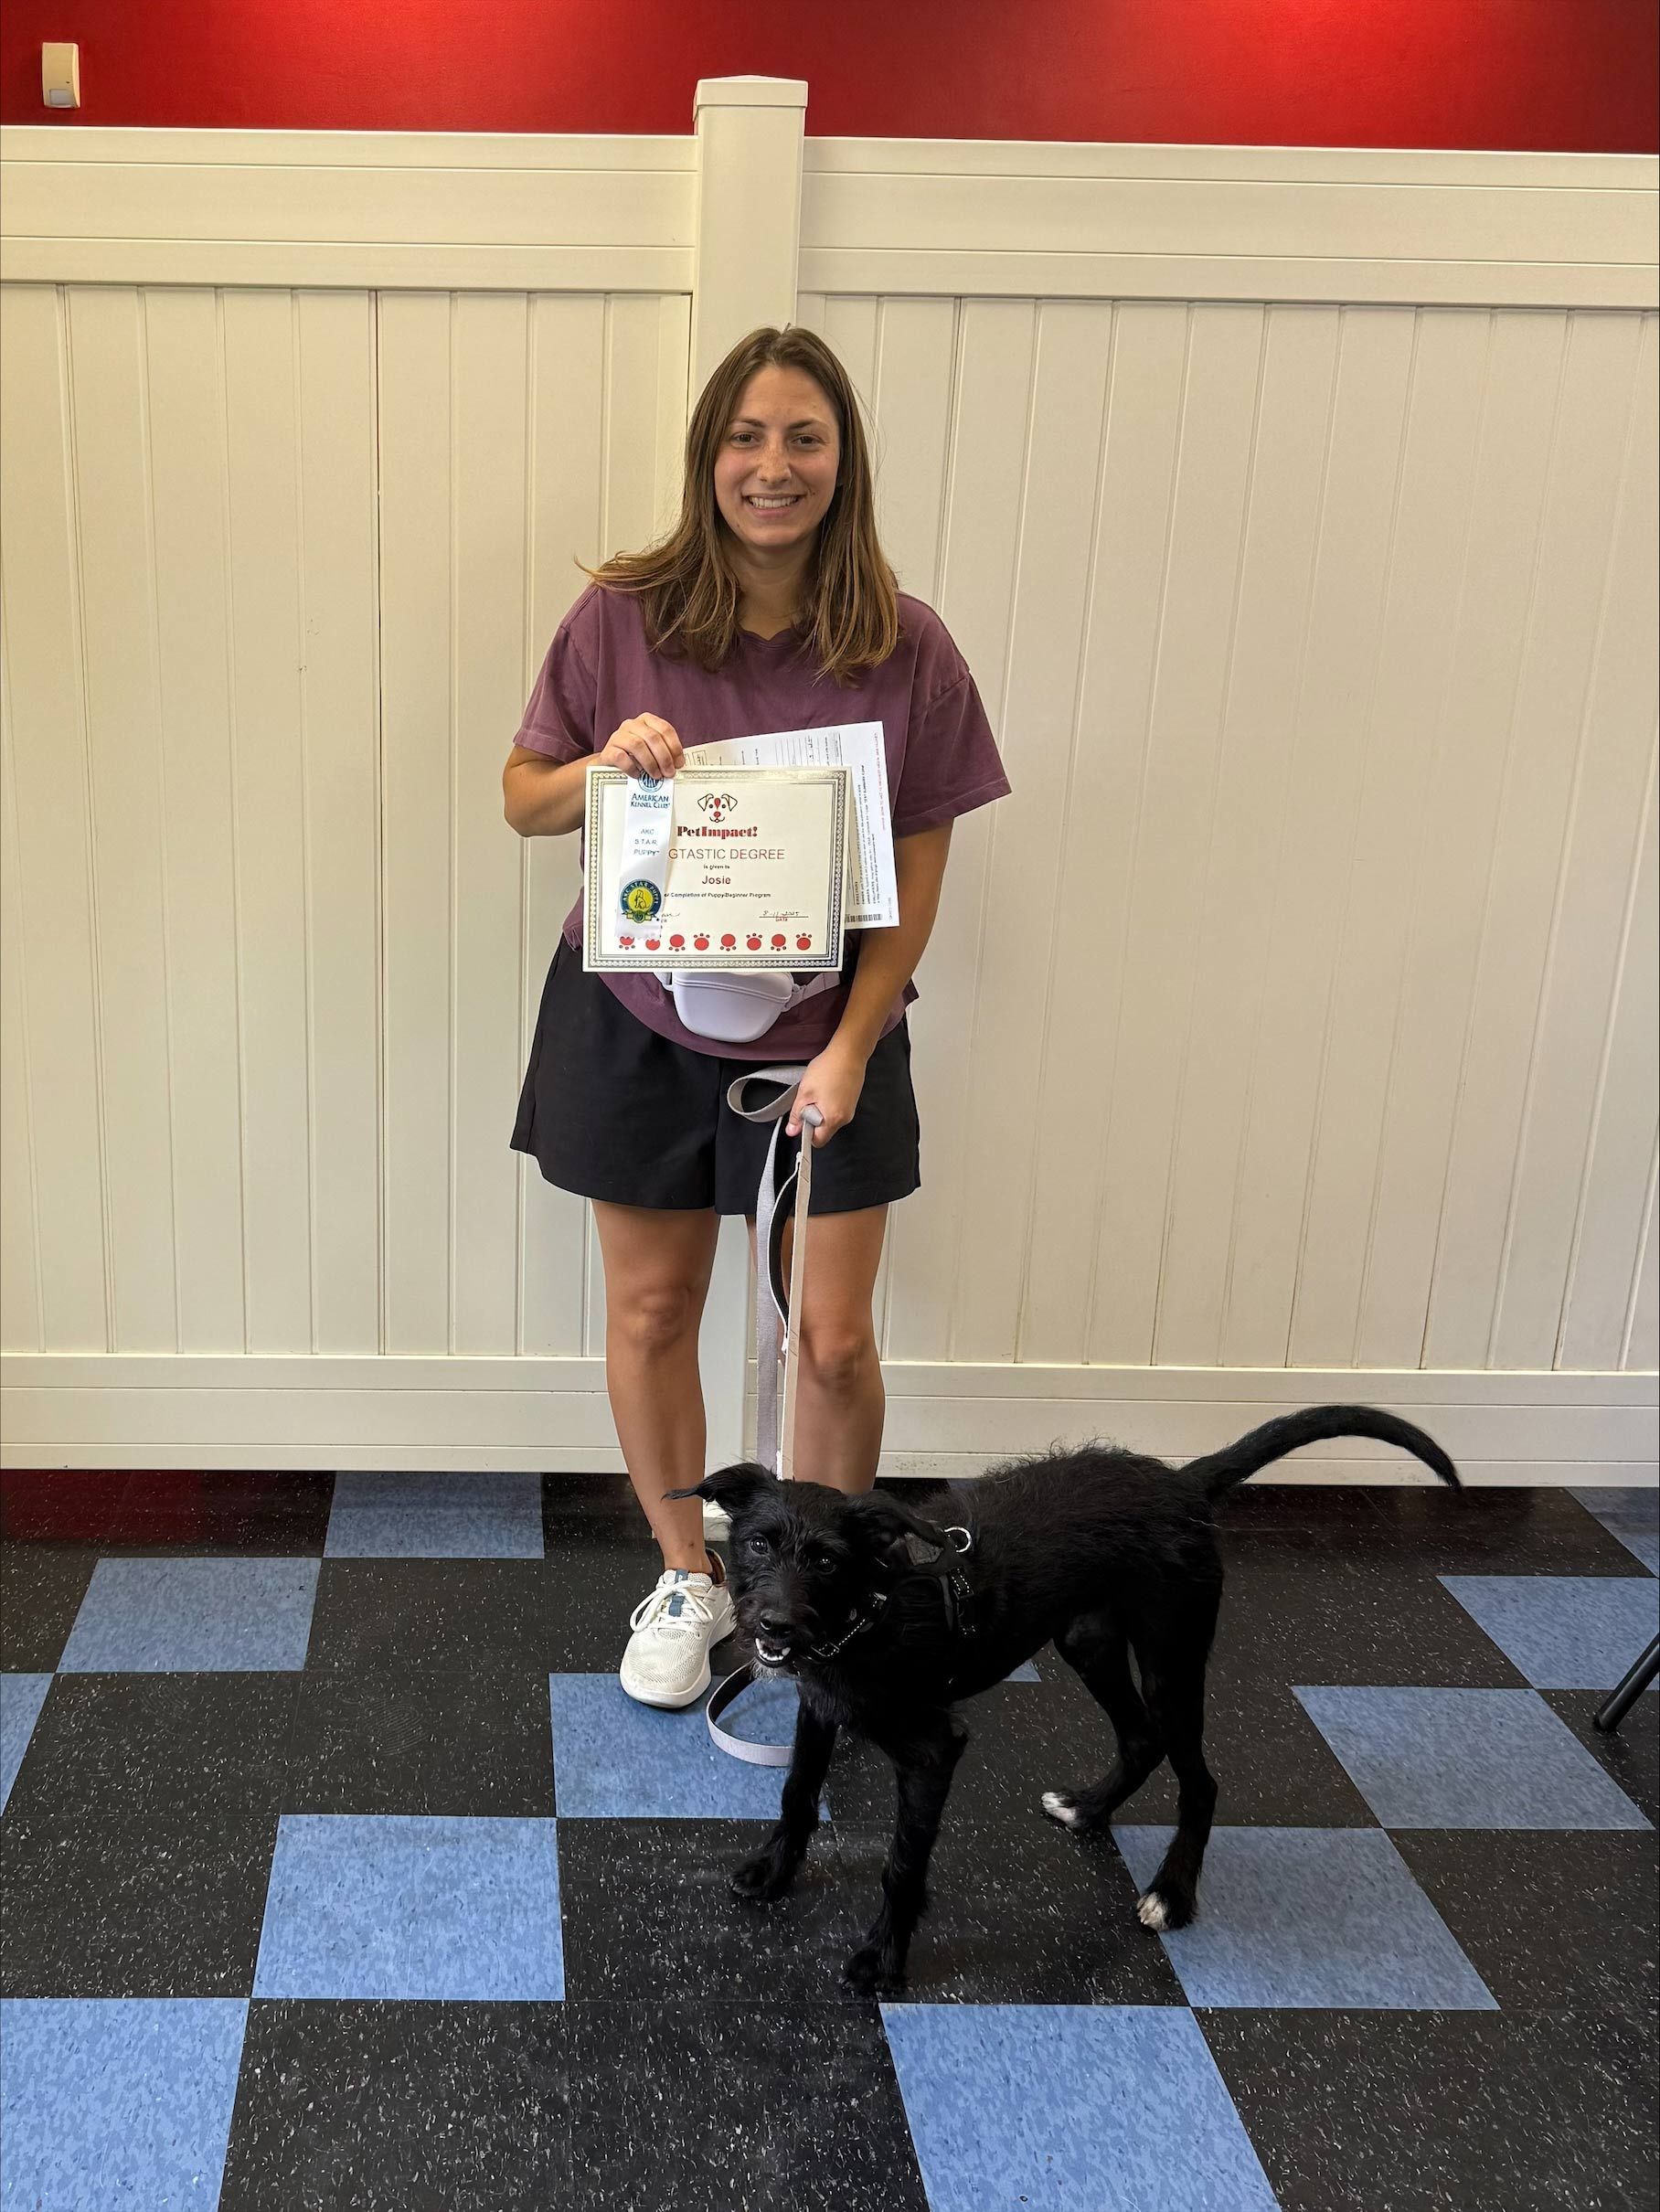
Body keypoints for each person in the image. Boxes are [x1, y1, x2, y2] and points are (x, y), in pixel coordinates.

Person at [503, 324, 1010, 1709]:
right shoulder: (622, 614)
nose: (771, 467)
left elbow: (920, 858)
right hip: (635, 1022)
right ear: (706, 456)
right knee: (656, 1305)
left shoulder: (907, 643)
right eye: (746, 436)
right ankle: (687, 1575)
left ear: (843, 462)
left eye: (804, 438)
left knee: (831, 1338)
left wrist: (854, 1042)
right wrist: (603, 766)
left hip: (829, 1031)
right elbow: (524, 796)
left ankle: (830, 1594)